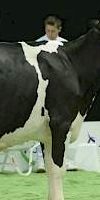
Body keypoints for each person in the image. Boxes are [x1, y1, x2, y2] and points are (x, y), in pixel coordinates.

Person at [34, 15, 68, 173]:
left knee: (62, 127)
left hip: (62, 92)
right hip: (43, 90)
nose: (50, 33)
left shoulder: (65, 45)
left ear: (59, 30)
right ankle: (40, 161)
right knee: (41, 126)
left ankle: (65, 160)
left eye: (53, 31)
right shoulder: (39, 43)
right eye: (47, 30)